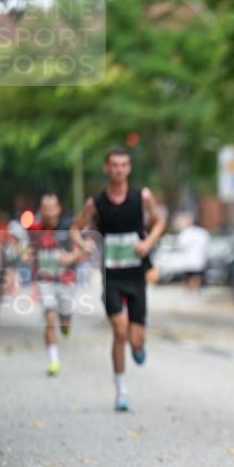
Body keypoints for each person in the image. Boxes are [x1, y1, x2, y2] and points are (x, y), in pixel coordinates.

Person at [71, 148, 166, 411]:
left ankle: (138, 347)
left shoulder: (142, 196)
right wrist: (84, 243)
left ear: (129, 168)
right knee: (119, 331)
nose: (119, 170)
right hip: (111, 276)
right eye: (114, 165)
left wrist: (148, 243)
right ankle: (121, 390)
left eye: (124, 165)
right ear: (106, 168)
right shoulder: (95, 203)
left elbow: (159, 222)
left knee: (135, 339)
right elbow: (75, 228)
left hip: (135, 275)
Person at [29, 193, 80, 375]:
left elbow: (81, 248)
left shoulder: (69, 226)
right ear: (41, 210)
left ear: (59, 209)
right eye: (45, 208)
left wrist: (71, 257)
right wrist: (28, 255)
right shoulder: (35, 229)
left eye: (52, 207)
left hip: (66, 281)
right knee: (50, 319)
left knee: (64, 323)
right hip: (45, 281)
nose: (49, 212)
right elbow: (31, 249)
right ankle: (53, 360)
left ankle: (66, 324)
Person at [176, 215, 210, 293]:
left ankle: (191, 290)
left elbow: (180, 245)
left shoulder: (186, 232)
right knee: (196, 276)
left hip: (188, 260)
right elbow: (206, 246)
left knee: (189, 276)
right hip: (198, 259)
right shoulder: (203, 233)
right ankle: (195, 290)